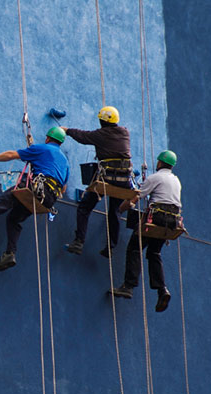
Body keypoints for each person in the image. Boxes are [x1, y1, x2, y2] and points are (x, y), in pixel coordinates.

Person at [0, 127, 69, 271]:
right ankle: (9, 254)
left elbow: (11, 154)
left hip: (37, 188)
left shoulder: (42, 149)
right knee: (14, 220)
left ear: (47, 138)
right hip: (48, 199)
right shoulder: (65, 162)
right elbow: (63, 188)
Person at [110, 150, 182, 312]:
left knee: (134, 247)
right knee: (153, 253)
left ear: (160, 163)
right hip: (171, 221)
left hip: (157, 217)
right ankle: (162, 289)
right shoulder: (176, 180)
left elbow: (135, 198)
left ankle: (128, 286)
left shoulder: (155, 177)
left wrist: (119, 210)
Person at [62, 106, 133, 257]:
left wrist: (67, 130)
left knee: (84, 207)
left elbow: (83, 136)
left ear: (103, 121)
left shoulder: (101, 135)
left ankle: (78, 242)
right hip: (124, 181)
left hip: (107, 179)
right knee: (114, 212)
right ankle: (111, 247)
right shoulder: (125, 132)